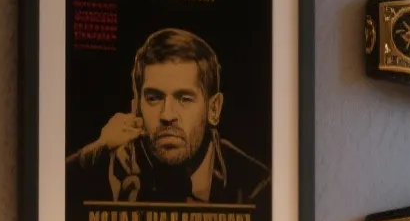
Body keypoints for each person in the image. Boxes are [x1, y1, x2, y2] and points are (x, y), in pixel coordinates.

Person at [68, 28, 271, 206]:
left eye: (184, 99)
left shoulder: (256, 186)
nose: (167, 115)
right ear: (136, 108)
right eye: (154, 98)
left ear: (214, 109)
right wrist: (96, 153)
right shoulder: (110, 164)